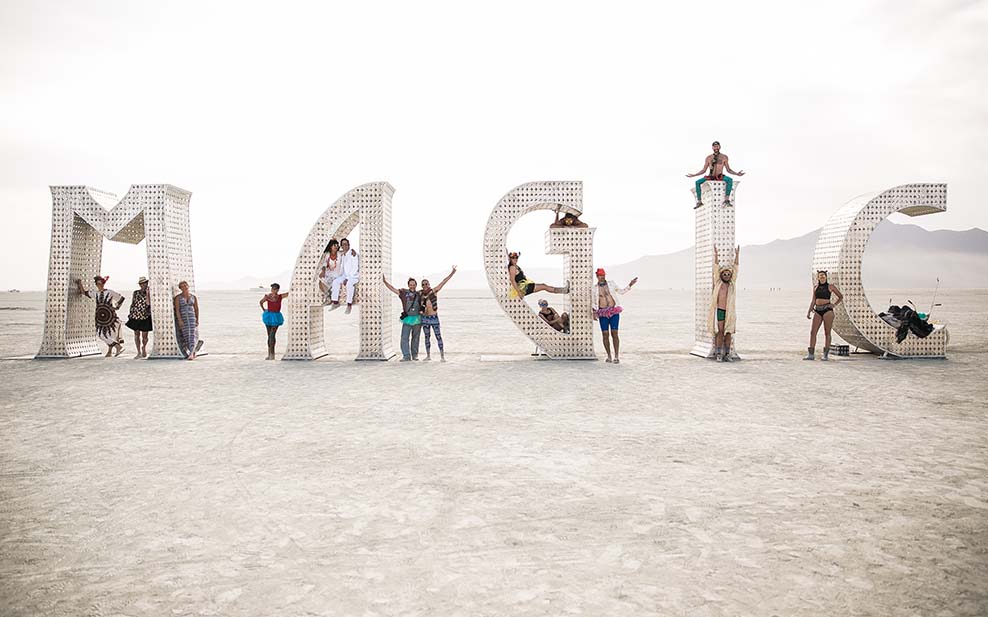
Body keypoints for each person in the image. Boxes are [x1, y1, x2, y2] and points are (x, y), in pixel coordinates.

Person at [593, 268, 638, 364]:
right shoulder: (594, 288)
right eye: (600, 275)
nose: (602, 277)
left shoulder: (611, 284)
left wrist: (630, 285)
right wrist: (593, 312)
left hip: (614, 311)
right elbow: (593, 301)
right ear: (597, 276)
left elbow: (621, 292)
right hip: (602, 313)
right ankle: (609, 356)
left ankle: (616, 356)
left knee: (614, 333)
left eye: (604, 275)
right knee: (605, 334)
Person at [685, 141, 746, 208]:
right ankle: (699, 201)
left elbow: (728, 170)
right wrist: (694, 175)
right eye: (714, 146)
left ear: (719, 147)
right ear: (712, 147)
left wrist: (737, 174)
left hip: (720, 176)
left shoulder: (724, 157)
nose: (716, 148)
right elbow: (704, 170)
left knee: (730, 180)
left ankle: (727, 199)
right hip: (711, 176)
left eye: (717, 146)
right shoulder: (708, 158)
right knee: (697, 182)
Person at [75, 276, 125, 357]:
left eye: (101, 283)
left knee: (109, 334)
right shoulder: (96, 293)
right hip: (100, 318)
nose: (100, 285)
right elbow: (84, 292)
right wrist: (80, 284)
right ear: (96, 285)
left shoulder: (109, 292)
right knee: (99, 333)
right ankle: (117, 347)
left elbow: (121, 298)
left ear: (103, 283)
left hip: (110, 317)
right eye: (98, 284)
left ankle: (111, 351)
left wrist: (116, 307)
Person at [708, 246, 740, 362]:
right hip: (720, 310)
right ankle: (718, 353)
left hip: (730, 311)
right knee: (720, 331)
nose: (726, 276)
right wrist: (716, 255)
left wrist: (737, 256)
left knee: (728, 332)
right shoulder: (718, 282)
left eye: (728, 274)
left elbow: (736, 269)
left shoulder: (731, 284)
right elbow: (716, 268)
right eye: (725, 274)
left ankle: (727, 354)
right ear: (721, 275)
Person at [420, 266, 457, 362]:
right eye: (423, 284)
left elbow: (444, 281)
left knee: (438, 336)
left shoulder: (434, 291)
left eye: (426, 284)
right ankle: (428, 356)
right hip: (424, 318)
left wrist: (452, 272)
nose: (425, 285)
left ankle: (442, 356)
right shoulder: (419, 294)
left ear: (429, 284)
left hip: (433, 317)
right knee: (427, 337)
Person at [805, 270, 844, 361]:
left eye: (823, 275)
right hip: (817, 310)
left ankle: (825, 355)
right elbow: (813, 300)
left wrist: (834, 305)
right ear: (818, 277)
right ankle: (811, 354)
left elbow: (840, 296)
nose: (822, 277)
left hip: (828, 311)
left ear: (826, 277)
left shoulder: (831, 287)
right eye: (820, 275)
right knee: (813, 332)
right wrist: (809, 311)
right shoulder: (815, 287)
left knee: (827, 333)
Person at [382, 275, 423, 361]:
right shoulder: (404, 293)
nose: (412, 286)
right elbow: (393, 289)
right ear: (408, 285)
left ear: (416, 285)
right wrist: (385, 282)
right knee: (404, 337)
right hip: (407, 318)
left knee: (416, 338)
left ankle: (415, 355)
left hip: (417, 318)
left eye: (414, 284)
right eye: (411, 284)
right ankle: (406, 356)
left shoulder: (419, 294)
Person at [125, 276, 153, 358]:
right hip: (135, 315)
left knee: (145, 336)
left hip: (145, 316)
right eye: (141, 284)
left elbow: (148, 303)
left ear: (147, 283)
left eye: (144, 283)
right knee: (136, 334)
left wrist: (147, 293)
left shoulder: (150, 293)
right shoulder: (136, 292)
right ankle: (138, 352)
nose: (143, 285)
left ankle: (144, 347)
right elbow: (133, 303)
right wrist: (130, 313)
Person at [260, 283, 289, 360]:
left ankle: (272, 355)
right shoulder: (267, 296)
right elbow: (261, 302)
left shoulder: (280, 296)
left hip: (276, 317)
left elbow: (289, 294)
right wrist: (264, 310)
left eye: (275, 289)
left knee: (272, 335)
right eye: (272, 289)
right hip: (268, 316)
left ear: (278, 290)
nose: (273, 290)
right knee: (269, 335)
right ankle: (270, 354)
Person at [331, 237, 359, 314]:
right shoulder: (343, 255)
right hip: (345, 275)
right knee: (335, 282)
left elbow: (355, 267)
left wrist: (347, 278)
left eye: (346, 244)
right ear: (341, 246)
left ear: (349, 245)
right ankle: (335, 302)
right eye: (343, 245)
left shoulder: (353, 254)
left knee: (349, 284)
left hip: (353, 276)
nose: (345, 246)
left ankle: (349, 305)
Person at [173, 280, 200, 360]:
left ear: (188, 286)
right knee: (186, 336)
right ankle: (192, 352)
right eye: (182, 286)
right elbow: (177, 310)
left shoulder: (193, 297)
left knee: (192, 335)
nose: (184, 287)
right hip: (183, 318)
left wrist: (197, 319)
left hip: (192, 318)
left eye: (185, 285)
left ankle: (191, 354)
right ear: (180, 288)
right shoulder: (178, 298)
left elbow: (196, 309)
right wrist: (180, 320)